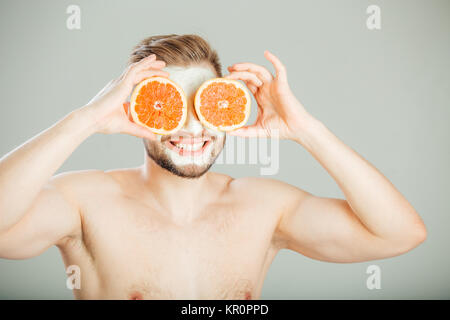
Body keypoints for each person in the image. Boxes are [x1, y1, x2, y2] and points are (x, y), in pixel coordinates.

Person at [0, 34, 426, 300]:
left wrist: (307, 130)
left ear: (227, 107)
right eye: (168, 104)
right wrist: (83, 121)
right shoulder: (84, 203)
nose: (190, 125)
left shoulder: (264, 207)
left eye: (206, 103)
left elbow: (399, 234)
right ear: (135, 110)